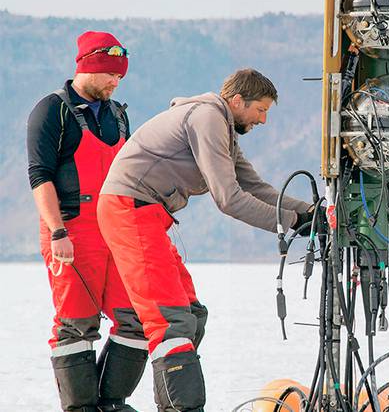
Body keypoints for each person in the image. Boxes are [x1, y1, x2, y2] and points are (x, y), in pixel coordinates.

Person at [96, 68, 316, 412]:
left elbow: (254, 187)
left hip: (147, 215)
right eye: (261, 110)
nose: (264, 120)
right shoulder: (208, 117)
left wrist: (310, 212)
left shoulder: (224, 128)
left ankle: (122, 403)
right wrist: (291, 221)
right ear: (238, 100)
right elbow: (228, 199)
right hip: (130, 210)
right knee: (172, 320)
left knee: (192, 314)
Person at [26, 31, 148, 412]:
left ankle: (111, 404)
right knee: (77, 325)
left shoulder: (118, 114)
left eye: (120, 77)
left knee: (136, 320)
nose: (117, 82)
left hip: (117, 232)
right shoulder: (52, 111)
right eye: (112, 75)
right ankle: (80, 407)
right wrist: (58, 232)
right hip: (72, 232)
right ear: (89, 67)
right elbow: (39, 175)